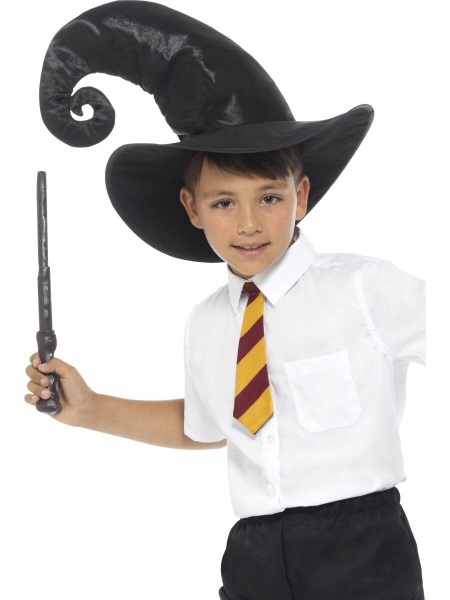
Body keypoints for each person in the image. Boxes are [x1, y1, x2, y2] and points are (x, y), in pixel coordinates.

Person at [27, 2, 426, 599]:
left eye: (269, 197)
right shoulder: (210, 322)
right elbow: (208, 427)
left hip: (363, 557)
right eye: (222, 202)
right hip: (252, 559)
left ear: (301, 196)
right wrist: (90, 409)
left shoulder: (365, 289)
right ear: (191, 208)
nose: (248, 223)